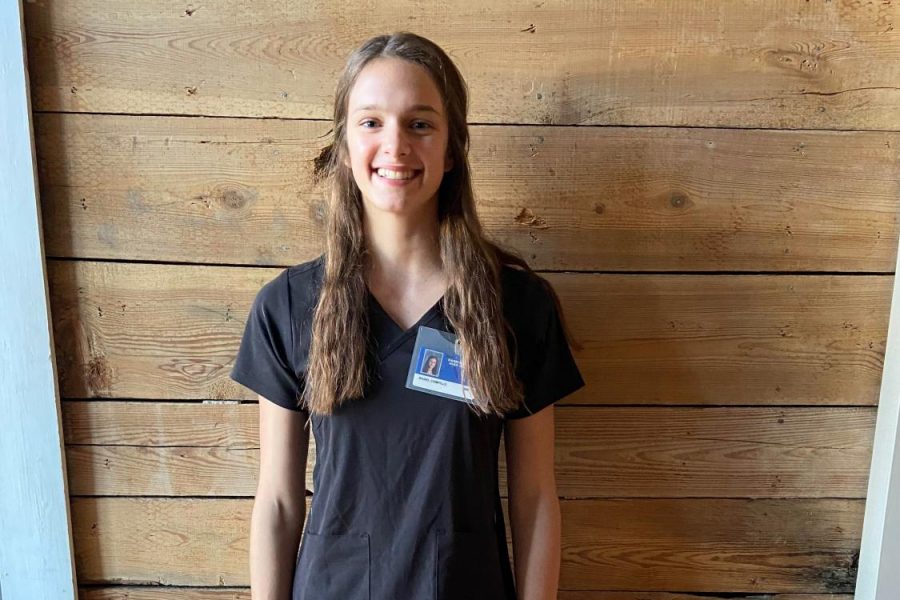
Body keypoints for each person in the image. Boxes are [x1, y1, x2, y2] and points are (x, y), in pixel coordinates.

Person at [230, 31, 585, 600]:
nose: (395, 145)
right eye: (371, 122)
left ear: (452, 149)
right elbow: (276, 501)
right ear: (344, 147)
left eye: (420, 123)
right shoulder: (289, 307)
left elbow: (536, 499)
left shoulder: (516, 307)